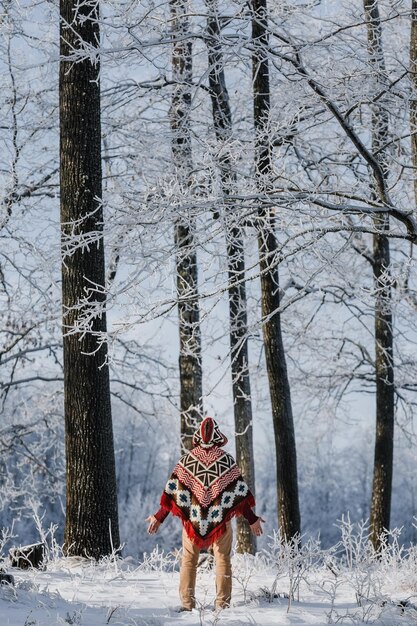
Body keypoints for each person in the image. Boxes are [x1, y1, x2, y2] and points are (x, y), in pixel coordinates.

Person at [146, 416, 264, 612]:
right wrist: (252, 519)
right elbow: (238, 496)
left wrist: (159, 517)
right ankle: (222, 605)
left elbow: (173, 493)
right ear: (217, 436)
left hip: (192, 522)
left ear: (198, 437)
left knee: (188, 560)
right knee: (223, 560)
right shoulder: (226, 461)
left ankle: (186, 605)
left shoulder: (187, 461)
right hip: (221, 522)